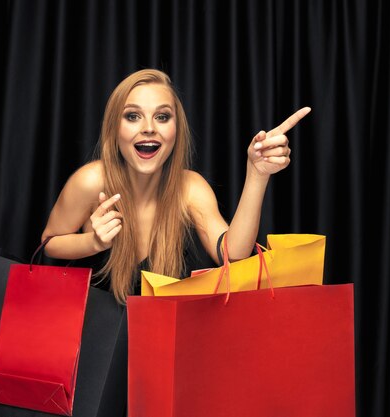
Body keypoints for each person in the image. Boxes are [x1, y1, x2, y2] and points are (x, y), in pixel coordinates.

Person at [41, 68, 310, 304]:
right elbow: (49, 244)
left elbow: (234, 256)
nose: (148, 128)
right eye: (133, 116)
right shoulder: (91, 180)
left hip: (162, 343)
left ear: (176, 130)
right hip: (98, 345)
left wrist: (257, 174)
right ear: (114, 128)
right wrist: (94, 241)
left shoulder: (190, 187)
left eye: (162, 117)